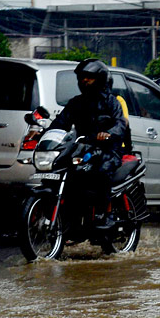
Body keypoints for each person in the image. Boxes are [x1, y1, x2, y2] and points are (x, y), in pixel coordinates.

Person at [50, 59, 129, 229]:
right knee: (65, 169)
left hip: (108, 149)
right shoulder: (76, 102)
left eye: (89, 77)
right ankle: (70, 216)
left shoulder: (111, 102)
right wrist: (44, 135)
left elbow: (121, 124)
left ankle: (105, 214)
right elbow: (60, 123)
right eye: (81, 78)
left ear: (99, 79)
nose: (84, 81)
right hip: (83, 148)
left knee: (102, 169)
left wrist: (109, 134)